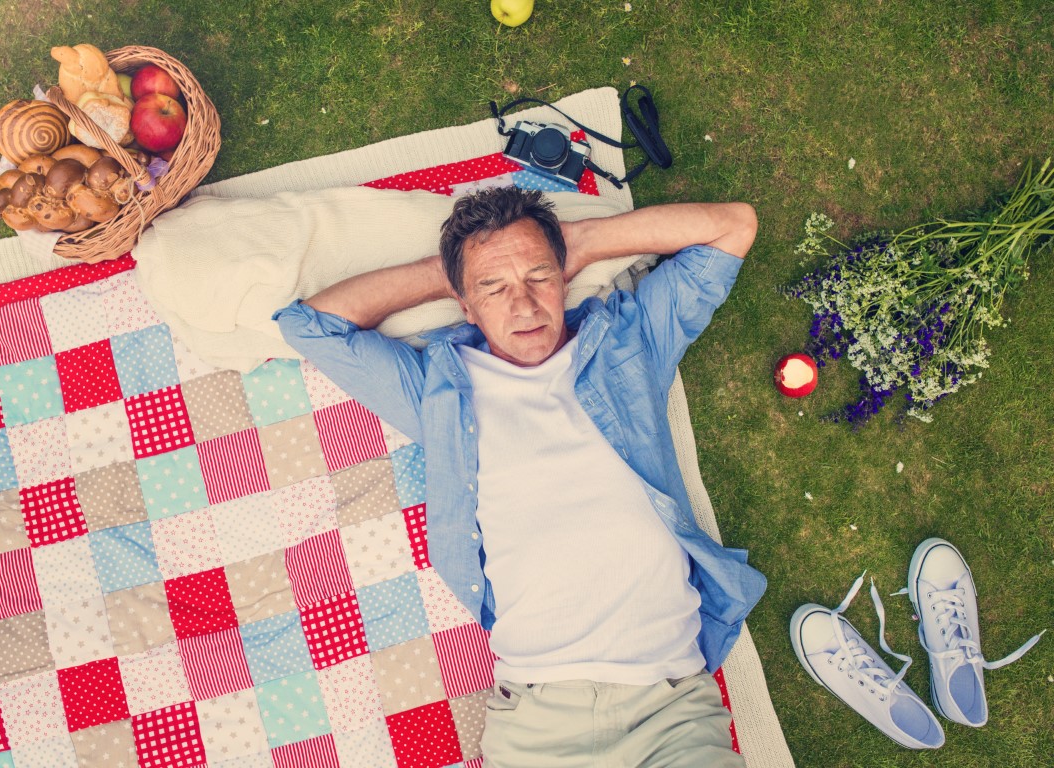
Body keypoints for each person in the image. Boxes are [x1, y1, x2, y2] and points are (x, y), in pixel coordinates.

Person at [274, 186, 766, 767]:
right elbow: (311, 328)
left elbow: (733, 225)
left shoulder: (629, 343)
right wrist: (453, 274)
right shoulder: (439, 390)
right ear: (466, 303)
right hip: (539, 719)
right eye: (494, 289)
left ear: (563, 278)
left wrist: (579, 243)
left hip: (670, 710)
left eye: (540, 278)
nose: (526, 307)